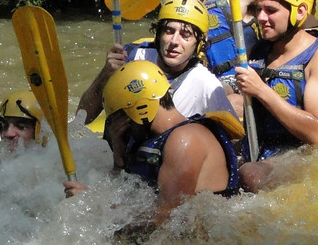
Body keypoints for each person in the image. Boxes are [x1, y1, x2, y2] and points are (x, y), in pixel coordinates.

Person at [64, 60, 242, 225]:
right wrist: (119, 158)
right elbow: (126, 193)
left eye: (120, 118)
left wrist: (95, 208)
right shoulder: (150, 138)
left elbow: (165, 219)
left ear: (141, 109)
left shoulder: (184, 141)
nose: (119, 127)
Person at [230, 0, 318, 191]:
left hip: (305, 155)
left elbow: (317, 134)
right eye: (258, 9)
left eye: (271, 10)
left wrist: (262, 91)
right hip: (266, 149)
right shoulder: (260, 51)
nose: (260, 18)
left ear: (300, 11)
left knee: (251, 174)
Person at [76, 0, 234, 123]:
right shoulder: (132, 57)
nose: (174, 41)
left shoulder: (205, 83)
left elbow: (234, 137)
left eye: (185, 35)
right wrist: (105, 75)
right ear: (159, 35)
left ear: (199, 44)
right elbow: (81, 119)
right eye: (169, 31)